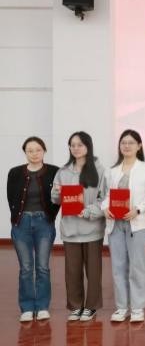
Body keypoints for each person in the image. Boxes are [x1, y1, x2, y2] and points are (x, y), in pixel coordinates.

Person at [102, 129, 145, 323]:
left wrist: (138, 210)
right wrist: (105, 208)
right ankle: (122, 307)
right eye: (123, 142)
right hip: (115, 224)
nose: (126, 146)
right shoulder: (112, 171)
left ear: (139, 146)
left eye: (131, 142)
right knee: (118, 266)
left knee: (137, 266)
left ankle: (137, 307)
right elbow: (106, 195)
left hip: (137, 225)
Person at [51, 131, 106, 321]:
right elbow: (55, 199)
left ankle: (91, 306)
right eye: (72, 145)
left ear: (88, 147)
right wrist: (57, 192)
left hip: (92, 228)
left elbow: (104, 198)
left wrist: (89, 211)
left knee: (93, 271)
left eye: (80, 145)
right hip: (70, 229)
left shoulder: (99, 170)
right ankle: (75, 306)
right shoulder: (63, 171)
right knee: (72, 271)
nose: (76, 148)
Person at [7, 136, 60, 322]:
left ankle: (43, 306)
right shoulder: (14, 172)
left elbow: (57, 198)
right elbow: (11, 199)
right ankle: (27, 307)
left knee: (43, 267)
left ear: (44, 151)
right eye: (30, 150)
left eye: (38, 150)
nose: (34, 154)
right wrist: (17, 219)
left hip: (44, 223)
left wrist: (50, 216)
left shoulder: (54, 171)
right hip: (21, 224)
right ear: (25, 153)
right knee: (26, 268)